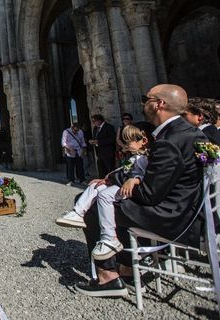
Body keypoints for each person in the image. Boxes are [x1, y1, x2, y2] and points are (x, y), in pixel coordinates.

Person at [76, 84, 206, 297]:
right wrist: (132, 179)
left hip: (172, 217)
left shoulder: (170, 141)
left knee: (90, 204)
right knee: (105, 200)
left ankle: (108, 276)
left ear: (159, 104)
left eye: (147, 98)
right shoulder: (188, 132)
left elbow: (149, 194)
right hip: (185, 209)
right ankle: (126, 269)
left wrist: (123, 180)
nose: (144, 103)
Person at [56, 124, 150, 259]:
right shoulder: (133, 156)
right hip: (122, 183)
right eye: (124, 142)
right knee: (95, 185)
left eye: (128, 141)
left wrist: (133, 180)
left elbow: (146, 176)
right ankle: (77, 212)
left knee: (104, 195)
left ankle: (109, 236)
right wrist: (109, 177)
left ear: (143, 141)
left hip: (130, 188)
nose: (125, 145)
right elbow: (123, 170)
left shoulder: (144, 158)